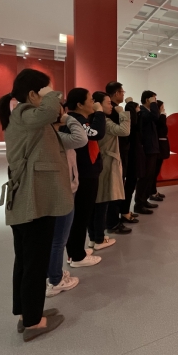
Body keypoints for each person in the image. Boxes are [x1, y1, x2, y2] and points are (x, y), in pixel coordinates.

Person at [0, 68, 71, 342]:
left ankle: (26, 313)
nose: (52, 98)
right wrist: (52, 94)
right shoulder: (26, 112)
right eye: (46, 91)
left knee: (27, 260)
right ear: (32, 94)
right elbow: (49, 111)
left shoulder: (23, 116)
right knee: (35, 261)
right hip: (34, 201)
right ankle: (33, 322)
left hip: (30, 200)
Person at [62, 88, 106, 268]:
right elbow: (97, 133)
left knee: (81, 214)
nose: (93, 103)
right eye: (90, 100)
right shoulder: (76, 120)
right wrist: (100, 113)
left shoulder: (79, 120)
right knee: (81, 215)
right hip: (84, 174)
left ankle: (75, 251)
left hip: (85, 172)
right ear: (80, 104)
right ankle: (77, 256)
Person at [46, 109, 87, 298]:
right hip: (64, 190)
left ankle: (54, 274)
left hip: (59, 188)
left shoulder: (51, 135)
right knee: (59, 239)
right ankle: (55, 280)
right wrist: (68, 118)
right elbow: (81, 138)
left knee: (55, 238)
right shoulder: (56, 137)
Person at [88, 91, 131, 249]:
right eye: (108, 103)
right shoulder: (104, 121)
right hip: (106, 163)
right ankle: (99, 238)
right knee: (102, 201)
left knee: (98, 202)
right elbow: (125, 130)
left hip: (102, 162)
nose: (111, 106)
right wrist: (123, 113)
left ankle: (94, 237)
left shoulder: (95, 120)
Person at [104, 81, 133, 234]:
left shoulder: (114, 111)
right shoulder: (114, 112)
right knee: (115, 188)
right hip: (116, 152)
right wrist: (126, 111)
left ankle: (115, 218)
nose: (123, 94)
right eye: (122, 92)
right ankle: (112, 222)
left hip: (120, 151)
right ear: (116, 93)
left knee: (118, 186)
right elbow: (125, 130)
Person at [134, 90, 160, 215]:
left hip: (152, 148)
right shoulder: (142, 112)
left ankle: (144, 201)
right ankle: (139, 204)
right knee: (144, 177)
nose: (155, 102)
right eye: (153, 99)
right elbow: (155, 117)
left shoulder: (148, 112)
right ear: (147, 100)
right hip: (147, 149)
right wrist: (153, 104)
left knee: (149, 176)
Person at [120, 101, 142, 222]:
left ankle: (126, 210)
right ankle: (124, 212)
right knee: (129, 185)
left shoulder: (131, 123)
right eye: (137, 108)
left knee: (130, 185)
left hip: (132, 156)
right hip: (132, 156)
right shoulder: (131, 124)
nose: (139, 110)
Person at [149, 100, 169, 202]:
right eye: (162, 107)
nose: (163, 109)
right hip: (158, 147)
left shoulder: (158, 118)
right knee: (154, 171)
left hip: (159, 147)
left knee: (156, 171)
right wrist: (163, 115)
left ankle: (154, 191)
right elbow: (162, 129)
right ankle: (152, 192)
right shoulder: (157, 118)